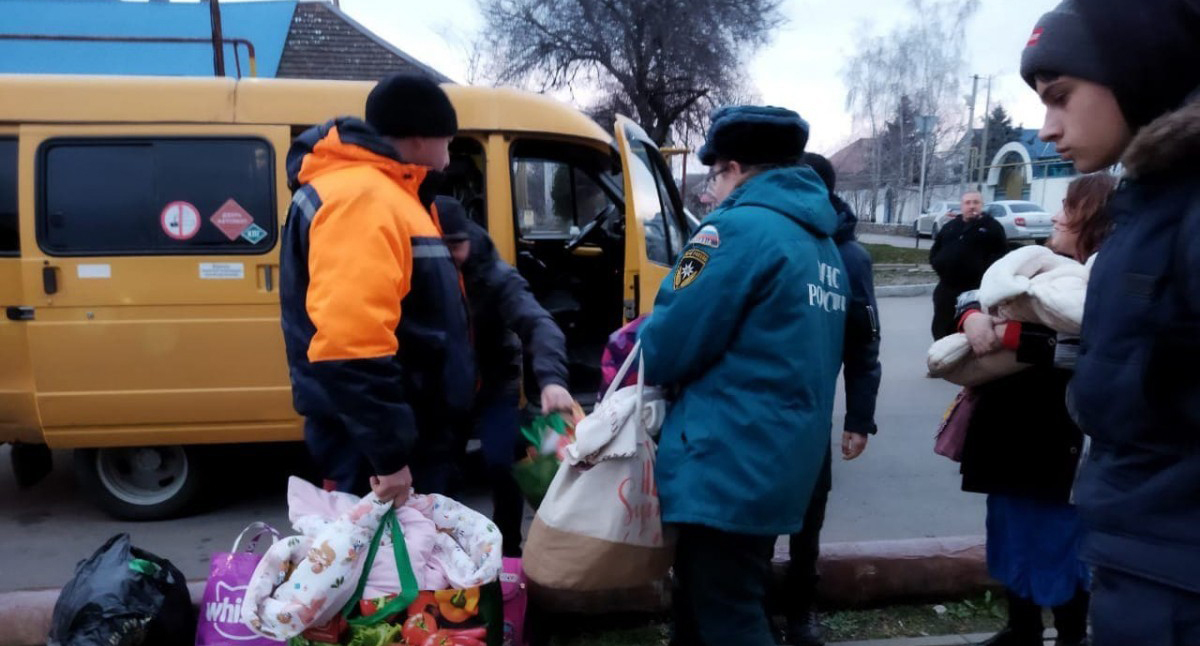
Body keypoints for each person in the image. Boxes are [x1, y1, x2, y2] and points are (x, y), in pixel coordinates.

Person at [1020, 2, 1200, 644]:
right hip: (1147, 563)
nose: (1046, 128)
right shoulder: (1153, 204)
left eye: (1061, 97)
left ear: (1137, 73)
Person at [638, 106, 848, 646]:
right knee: (710, 605)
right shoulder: (821, 241)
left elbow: (667, 345)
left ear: (733, 167)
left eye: (714, 175)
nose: (711, 190)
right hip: (777, 461)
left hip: (724, 462)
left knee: (729, 615)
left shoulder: (728, 232)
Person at [280, 74, 475, 504]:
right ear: (422, 139)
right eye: (448, 141)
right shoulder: (363, 200)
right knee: (385, 566)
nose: (448, 157)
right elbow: (352, 347)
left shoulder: (388, 195)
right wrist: (389, 457)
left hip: (395, 430)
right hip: (377, 444)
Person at [956, 173, 1116, 646]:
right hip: (1012, 427)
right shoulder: (1034, 262)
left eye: (1069, 206)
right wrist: (971, 317)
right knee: (1010, 530)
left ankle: (1071, 635)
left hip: (1061, 433)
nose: (1058, 215)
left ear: (1091, 215)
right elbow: (973, 292)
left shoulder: (1102, 278)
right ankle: (1021, 628)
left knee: (1061, 543)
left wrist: (1008, 336)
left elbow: (1084, 345)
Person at [778, 153, 883, 646]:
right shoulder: (766, 240)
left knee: (807, 522)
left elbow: (864, 346)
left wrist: (859, 418)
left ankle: (801, 614)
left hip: (810, 419)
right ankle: (754, 614)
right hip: (751, 415)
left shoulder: (848, 257)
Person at [433, 195, 573, 556]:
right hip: (447, 387)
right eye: (442, 246)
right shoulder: (424, 271)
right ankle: (451, 551)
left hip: (495, 383)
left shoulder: (494, 274)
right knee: (441, 473)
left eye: (458, 245)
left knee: (501, 461)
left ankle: (509, 549)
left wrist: (552, 380)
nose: (453, 256)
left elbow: (539, 323)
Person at [929, 191, 1007, 340]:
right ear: (962, 206)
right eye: (968, 203)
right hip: (947, 289)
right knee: (941, 328)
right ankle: (943, 356)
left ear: (982, 205)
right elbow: (935, 251)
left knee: (968, 331)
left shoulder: (992, 227)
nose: (972, 206)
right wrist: (939, 264)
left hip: (974, 290)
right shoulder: (950, 227)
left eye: (976, 202)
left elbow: (1000, 255)